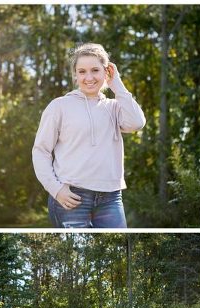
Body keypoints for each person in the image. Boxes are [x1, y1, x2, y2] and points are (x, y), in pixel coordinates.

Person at [32, 43, 145, 228]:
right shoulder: (59, 106)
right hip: (72, 196)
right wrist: (56, 189)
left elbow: (137, 123)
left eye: (95, 70)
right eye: (82, 71)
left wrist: (117, 84)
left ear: (106, 71)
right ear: (75, 75)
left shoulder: (115, 107)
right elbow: (40, 151)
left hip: (111, 197)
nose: (89, 77)